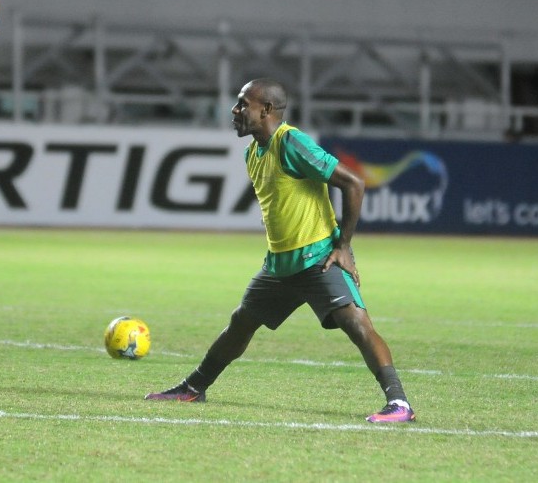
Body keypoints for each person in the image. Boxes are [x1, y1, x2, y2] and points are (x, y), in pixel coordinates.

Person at [145, 78, 415, 423]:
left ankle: (400, 404)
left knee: (356, 323)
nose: (235, 110)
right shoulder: (252, 152)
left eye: (244, 103)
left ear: (267, 110)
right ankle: (193, 388)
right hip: (279, 264)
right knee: (241, 322)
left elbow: (354, 182)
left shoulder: (292, 143)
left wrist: (344, 246)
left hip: (318, 258)